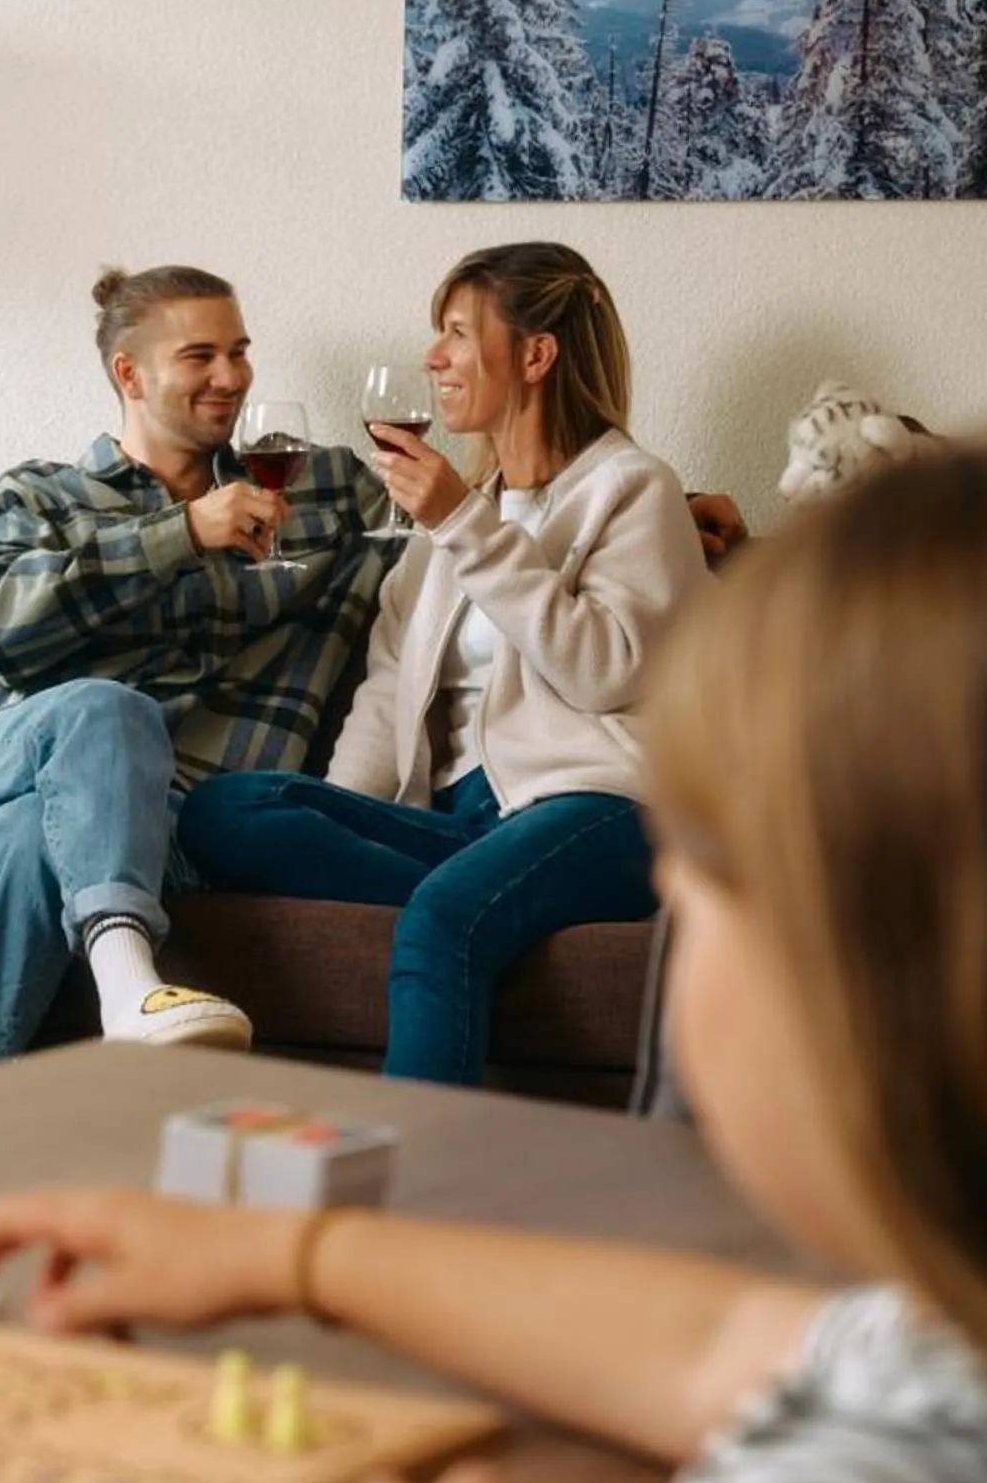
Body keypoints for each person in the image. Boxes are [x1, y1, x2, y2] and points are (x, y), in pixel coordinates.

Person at [0, 435, 987, 1483]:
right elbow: (719, 1343)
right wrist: (291, 1250)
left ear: (869, 985)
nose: (680, 902)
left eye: (708, 873)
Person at [176, 243, 712, 1088]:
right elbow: (388, 693)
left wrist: (464, 522)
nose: (434, 357)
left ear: (535, 355)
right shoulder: (452, 524)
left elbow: (605, 671)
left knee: (443, 918)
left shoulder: (633, 490)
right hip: (466, 822)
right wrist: (349, 815)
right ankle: (491, 892)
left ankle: (414, 1190)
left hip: (604, 806)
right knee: (224, 810)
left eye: (457, 334)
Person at [0, 265, 397, 1067]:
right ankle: (129, 980)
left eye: (239, 352)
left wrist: (656, 516)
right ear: (129, 372)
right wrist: (180, 536)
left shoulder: (320, 486)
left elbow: (458, 533)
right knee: (105, 708)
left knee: (31, 842)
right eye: (200, 357)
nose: (230, 378)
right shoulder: (40, 496)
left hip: (155, 821)